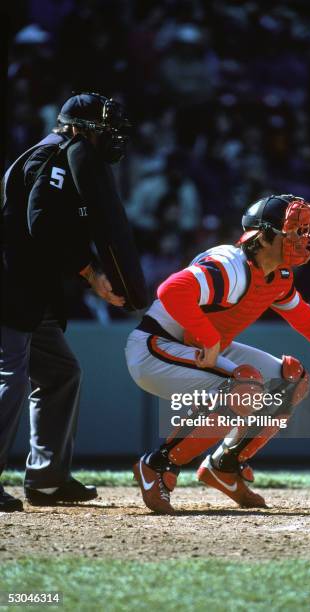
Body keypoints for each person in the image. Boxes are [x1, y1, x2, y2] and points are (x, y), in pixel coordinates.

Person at [125, 194, 310, 514]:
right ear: (264, 235)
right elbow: (171, 290)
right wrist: (209, 339)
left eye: (304, 231)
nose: (303, 239)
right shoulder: (230, 267)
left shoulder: (278, 275)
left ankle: (225, 465)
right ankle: (157, 465)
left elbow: (309, 322)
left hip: (196, 345)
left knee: (291, 380)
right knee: (246, 385)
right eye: (295, 230)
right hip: (155, 347)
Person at [1, 92, 147, 511]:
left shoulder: (69, 158)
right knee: (9, 377)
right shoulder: (54, 156)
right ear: (79, 130)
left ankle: (47, 479)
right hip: (12, 286)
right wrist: (91, 272)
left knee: (62, 373)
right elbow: (40, 223)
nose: (114, 140)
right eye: (107, 132)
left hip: (33, 290)